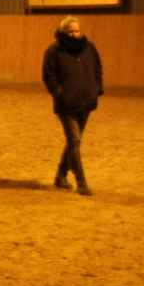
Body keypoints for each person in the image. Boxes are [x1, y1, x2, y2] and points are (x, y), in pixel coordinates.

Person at [42, 15, 103, 196]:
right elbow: (48, 76)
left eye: (77, 30)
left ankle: (60, 176)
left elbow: (98, 68)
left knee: (73, 142)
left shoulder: (89, 48)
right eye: (71, 31)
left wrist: (97, 88)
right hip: (66, 104)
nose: (75, 34)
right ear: (63, 32)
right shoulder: (53, 51)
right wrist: (59, 93)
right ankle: (81, 182)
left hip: (85, 101)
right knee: (74, 141)